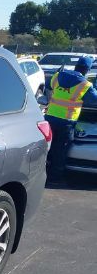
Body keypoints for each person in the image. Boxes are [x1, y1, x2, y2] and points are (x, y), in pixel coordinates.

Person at [44, 56, 97, 185]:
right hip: (66, 122)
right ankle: (54, 178)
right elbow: (94, 100)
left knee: (46, 147)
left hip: (50, 118)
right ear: (87, 70)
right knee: (60, 150)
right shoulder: (85, 85)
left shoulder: (57, 76)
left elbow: (47, 85)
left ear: (76, 66)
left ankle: (41, 172)